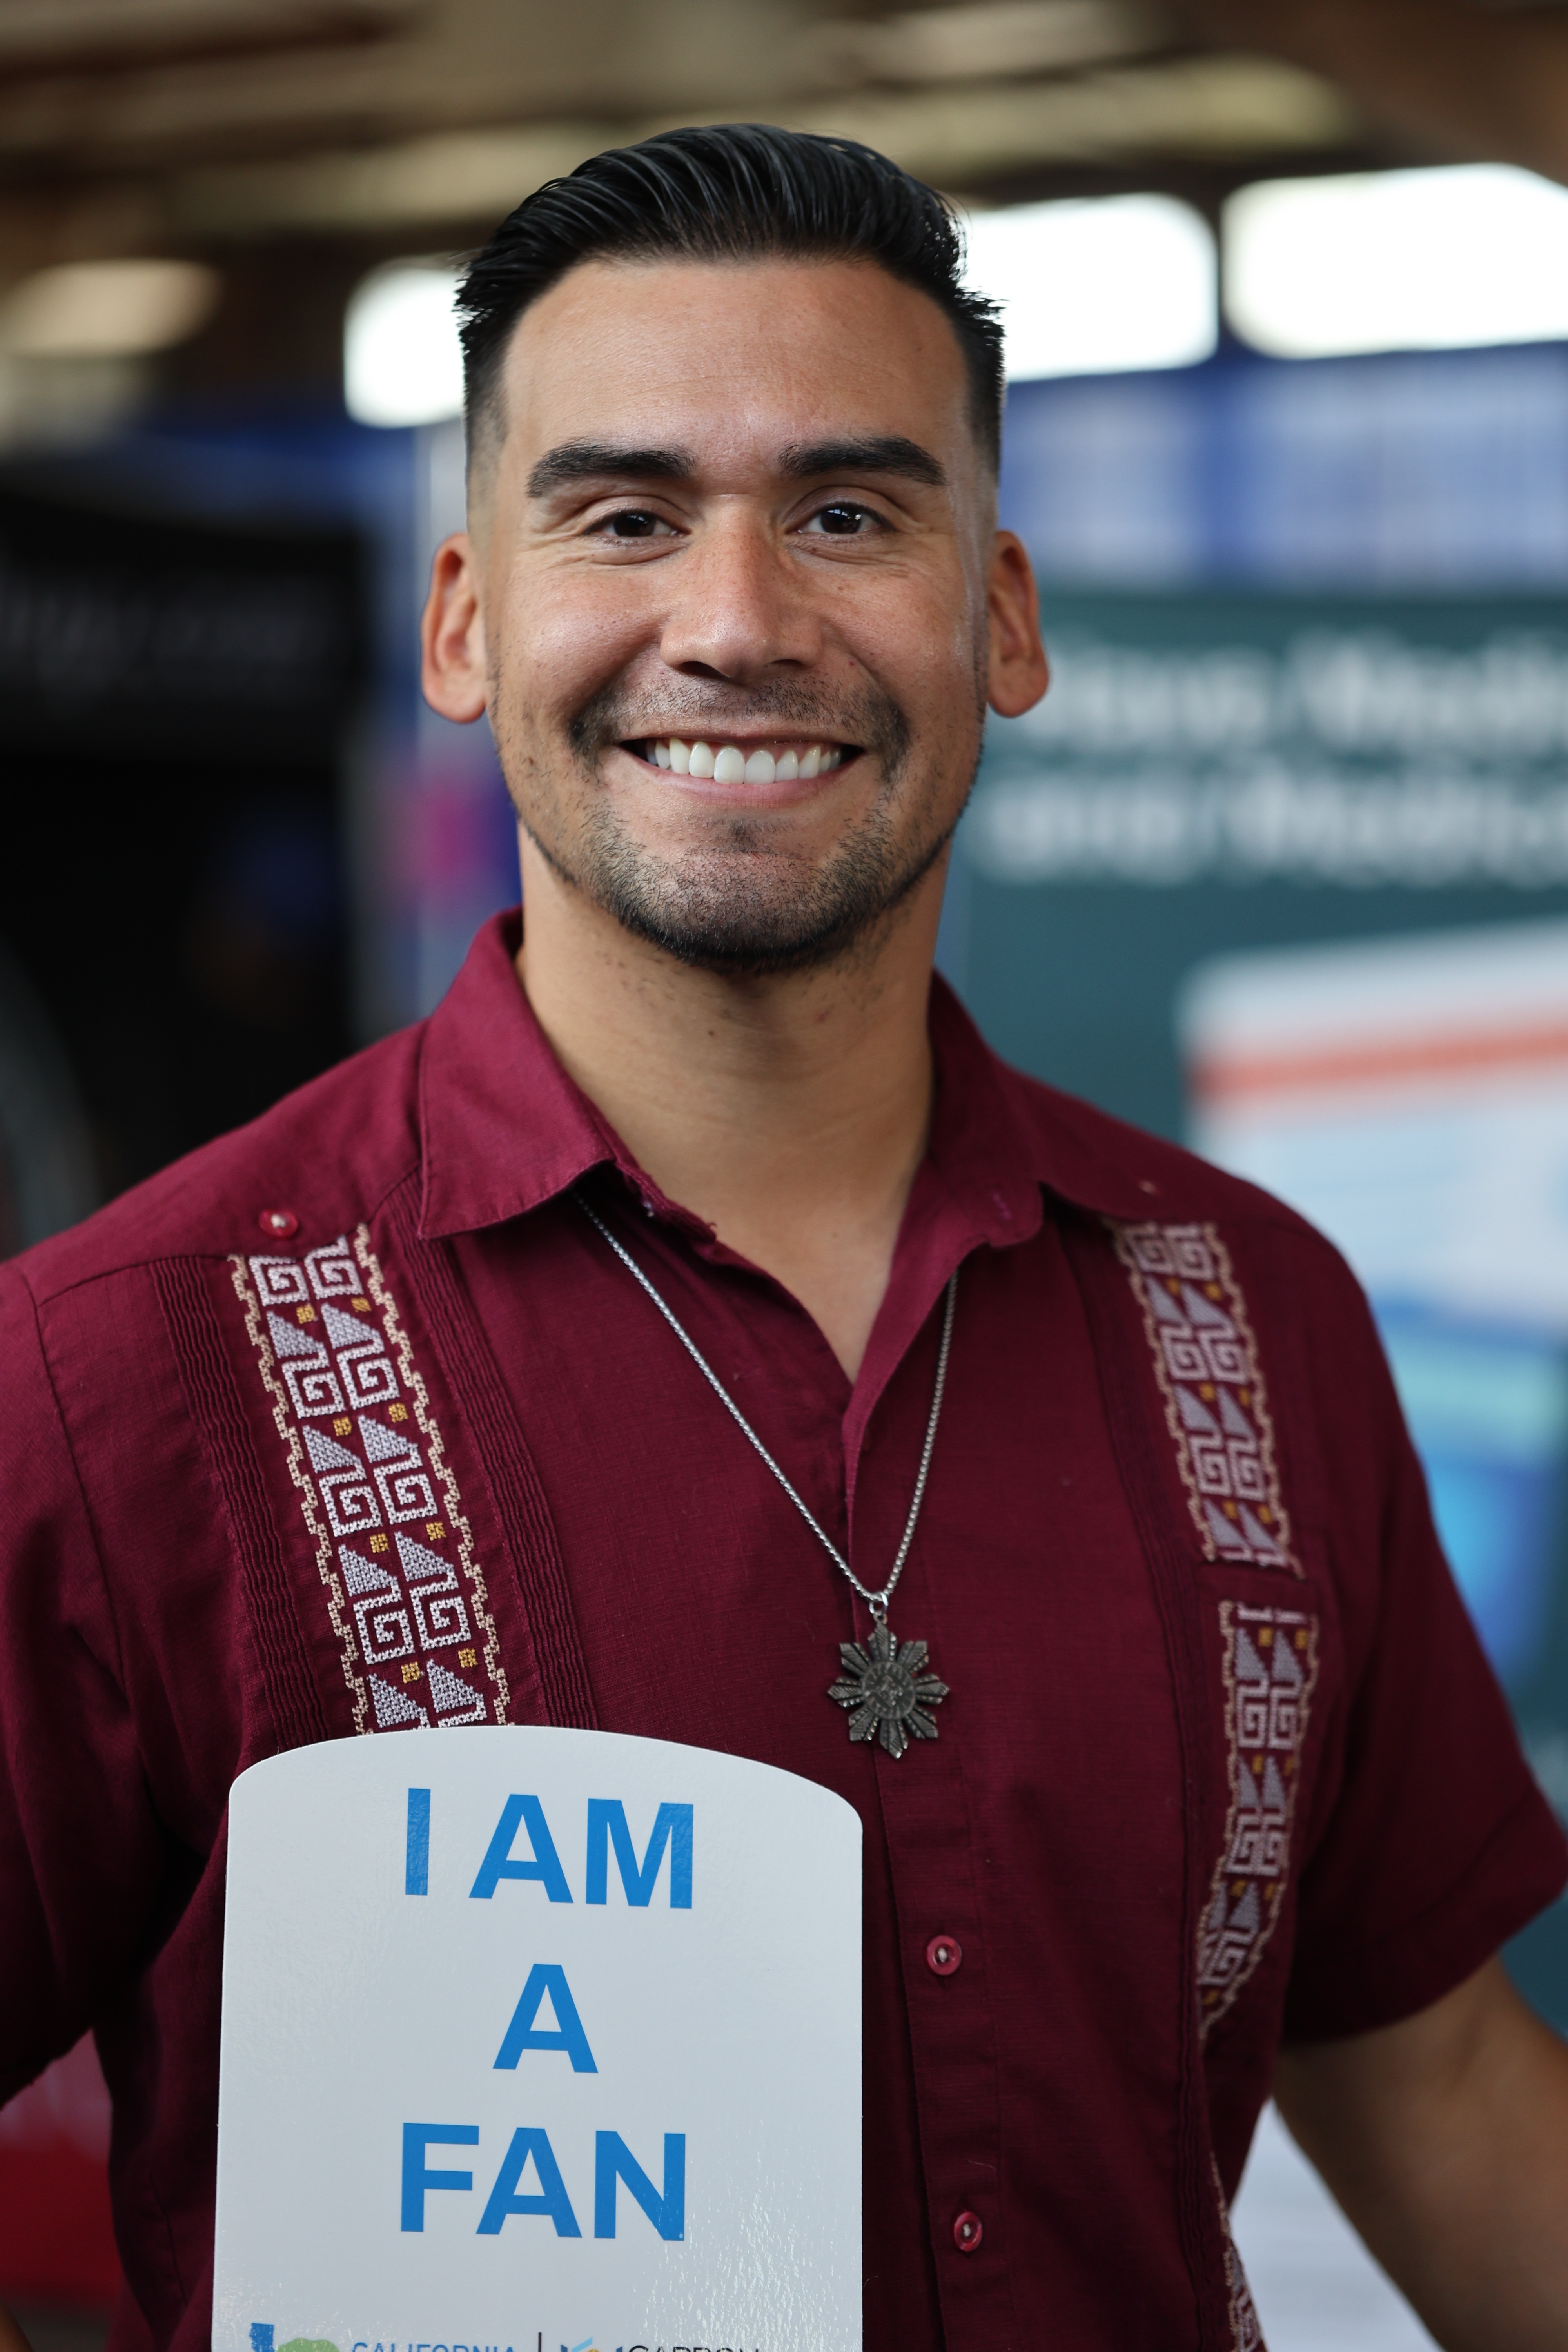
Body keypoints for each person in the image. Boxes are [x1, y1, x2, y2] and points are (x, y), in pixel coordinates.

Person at [2, 123, 1568, 2352]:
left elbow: (1444, 2090)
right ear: (466, 621)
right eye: (625, 516)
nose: (737, 623)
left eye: (847, 513)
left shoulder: (1246, 1316)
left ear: (998, 616)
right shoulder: (122, 1370)